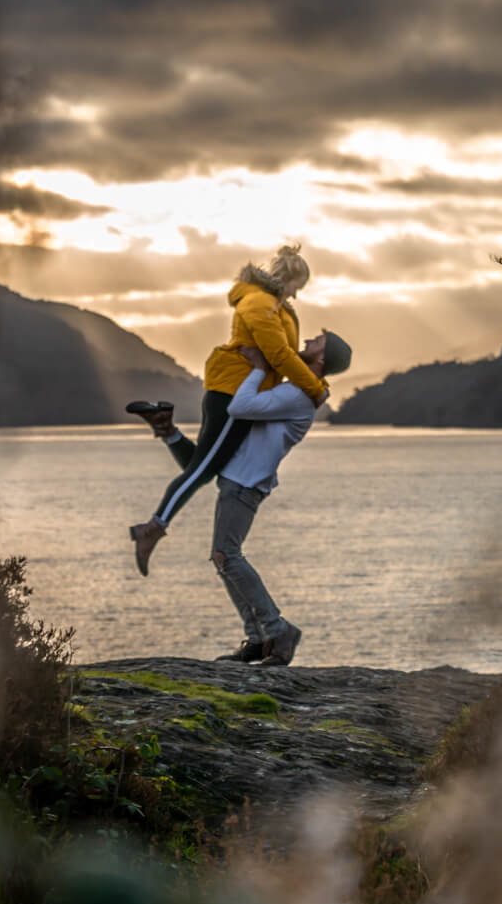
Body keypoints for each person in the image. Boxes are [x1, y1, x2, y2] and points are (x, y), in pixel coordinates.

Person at [134, 330, 353, 666]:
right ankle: (257, 638)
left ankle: (278, 630)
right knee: (222, 555)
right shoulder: (299, 386)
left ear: (323, 359)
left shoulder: (299, 392)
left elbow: (240, 406)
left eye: (318, 340)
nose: (309, 339)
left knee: (227, 555)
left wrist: (258, 369)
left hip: (247, 483)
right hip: (239, 475)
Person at [128, 245, 329, 577]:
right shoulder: (260, 302)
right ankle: (154, 526)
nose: (297, 295)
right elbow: (279, 355)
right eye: (298, 287)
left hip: (238, 389)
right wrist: (316, 388)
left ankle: (165, 427)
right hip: (233, 391)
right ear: (290, 278)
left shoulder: (274, 305)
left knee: (207, 466)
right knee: (204, 469)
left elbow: (280, 355)